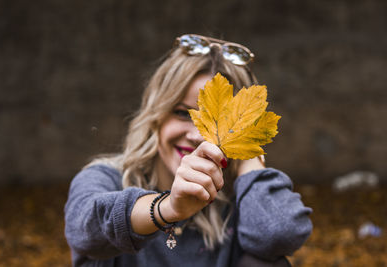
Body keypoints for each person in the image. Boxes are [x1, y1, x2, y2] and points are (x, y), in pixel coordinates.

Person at [64, 34, 313, 267]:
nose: (195, 136)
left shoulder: (243, 198)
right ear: (156, 115)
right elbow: (83, 228)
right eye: (182, 113)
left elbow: (279, 234)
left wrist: (249, 160)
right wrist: (168, 209)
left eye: (218, 121)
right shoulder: (107, 177)